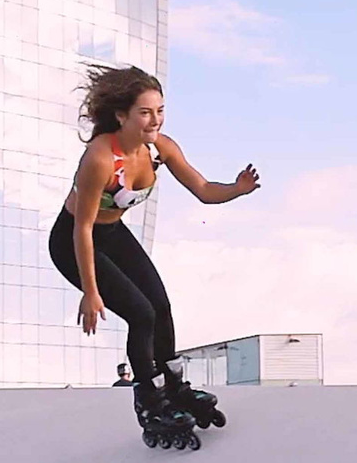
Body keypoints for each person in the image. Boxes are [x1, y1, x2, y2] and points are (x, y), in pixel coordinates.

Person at [48, 64, 260, 442]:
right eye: (145, 112)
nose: (155, 120)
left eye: (160, 111)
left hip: (113, 233)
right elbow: (82, 228)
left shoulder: (160, 148)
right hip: (73, 241)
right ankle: (148, 398)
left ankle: (174, 386)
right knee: (140, 314)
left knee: (160, 306)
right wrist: (91, 292)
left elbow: (204, 189)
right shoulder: (100, 158)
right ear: (122, 116)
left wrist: (237, 189)